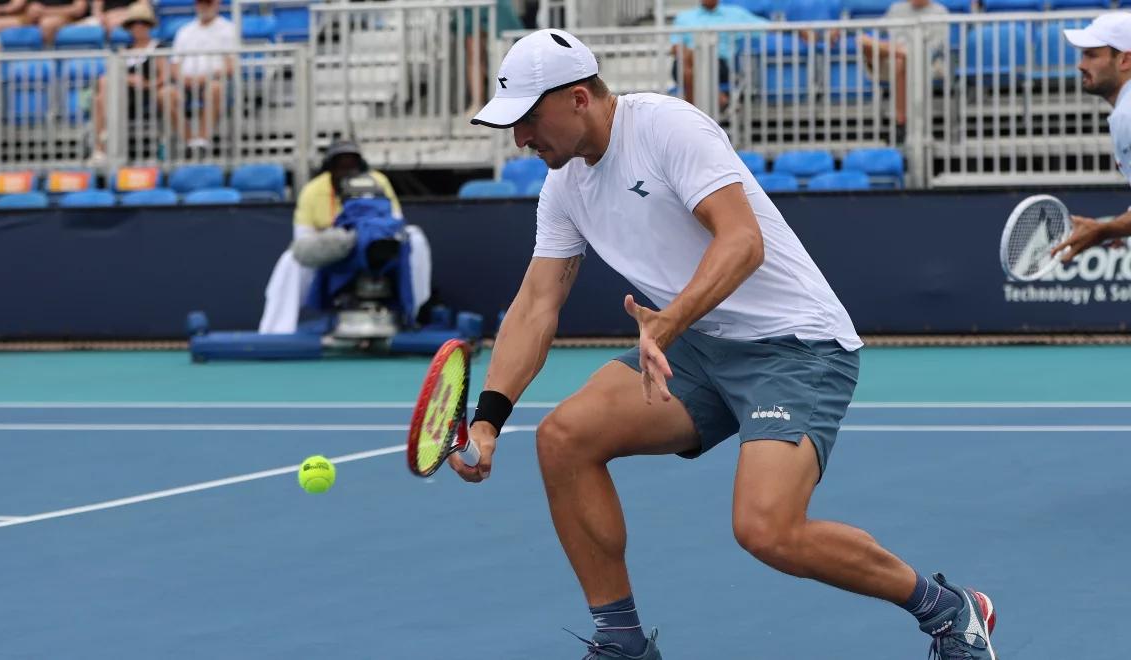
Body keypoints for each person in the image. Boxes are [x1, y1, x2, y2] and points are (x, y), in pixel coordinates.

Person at [466, 29, 997, 660]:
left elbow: (743, 241)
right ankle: (622, 643)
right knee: (562, 441)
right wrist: (489, 420)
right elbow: (536, 304)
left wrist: (668, 322)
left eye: (528, 119)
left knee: (767, 530)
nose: (521, 139)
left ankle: (949, 609)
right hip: (698, 349)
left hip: (795, 347)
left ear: (579, 98)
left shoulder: (666, 127)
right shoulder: (563, 189)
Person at [258, 141, 429, 335]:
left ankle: (412, 315)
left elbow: (397, 223)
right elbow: (303, 239)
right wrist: (338, 240)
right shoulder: (312, 190)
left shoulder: (378, 182)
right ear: (330, 169)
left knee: (416, 239)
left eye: (352, 166)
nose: (347, 171)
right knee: (291, 259)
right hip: (334, 253)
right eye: (340, 166)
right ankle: (276, 331)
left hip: (376, 249)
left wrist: (364, 235)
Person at [1054, 13, 1131, 262]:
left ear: (1125, 60)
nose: (1081, 65)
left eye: (1092, 55)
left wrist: (1105, 230)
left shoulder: (1127, 115)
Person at [856, 0, 949, 143]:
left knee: (904, 59)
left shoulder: (940, 12)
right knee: (862, 40)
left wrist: (905, 52)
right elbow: (877, 30)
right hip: (892, 58)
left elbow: (934, 50)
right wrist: (894, 49)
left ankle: (901, 123)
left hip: (926, 63)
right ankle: (900, 51)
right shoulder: (896, 8)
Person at [87, 2, 165, 166]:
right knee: (99, 96)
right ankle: (103, 141)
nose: (138, 27)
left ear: (149, 26)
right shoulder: (124, 50)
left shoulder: (158, 47)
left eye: (142, 23)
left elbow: (163, 78)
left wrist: (144, 84)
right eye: (134, 23)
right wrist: (128, 80)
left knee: (103, 90)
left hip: (145, 95)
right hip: (123, 96)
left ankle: (102, 144)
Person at [165, 0, 238, 153]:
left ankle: (202, 140)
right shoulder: (184, 31)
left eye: (208, 3)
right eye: (200, 3)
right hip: (185, 83)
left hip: (216, 81)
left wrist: (205, 77)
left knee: (215, 88)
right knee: (165, 94)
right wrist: (182, 79)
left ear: (216, 4)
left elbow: (231, 66)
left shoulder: (228, 29)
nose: (204, 7)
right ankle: (190, 141)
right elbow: (174, 66)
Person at [670, 0, 768, 109]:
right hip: (685, 62)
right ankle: (717, 97)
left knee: (688, 67)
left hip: (719, 64)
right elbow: (675, 47)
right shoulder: (684, 17)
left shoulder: (736, 14)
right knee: (689, 58)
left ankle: (692, 110)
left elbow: (769, 27)